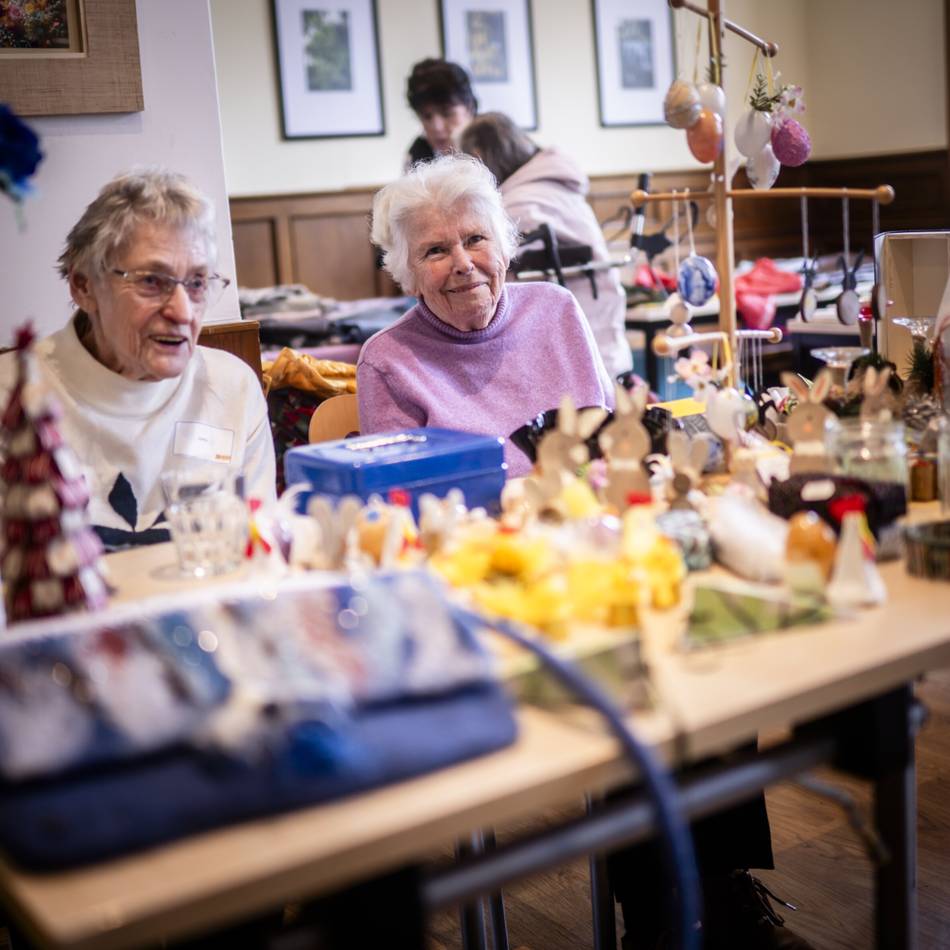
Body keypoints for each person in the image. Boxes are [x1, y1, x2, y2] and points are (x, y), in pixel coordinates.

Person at [0, 169, 276, 550]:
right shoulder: (12, 394)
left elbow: (259, 551)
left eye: (196, 283)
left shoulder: (231, 387)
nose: (182, 311)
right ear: (83, 286)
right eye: (151, 281)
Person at [357, 154, 614, 477]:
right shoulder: (388, 361)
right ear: (407, 274)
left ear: (505, 248)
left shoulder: (556, 309)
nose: (463, 263)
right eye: (436, 250)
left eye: (475, 239)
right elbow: (396, 492)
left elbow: (611, 441)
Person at [459, 111, 634, 381]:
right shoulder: (558, 189)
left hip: (571, 355)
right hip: (606, 336)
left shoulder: (518, 204)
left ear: (479, 157)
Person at [404, 58, 477, 167]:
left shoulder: (494, 142)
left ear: (469, 108)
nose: (437, 127)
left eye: (447, 113)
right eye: (427, 116)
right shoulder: (417, 154)